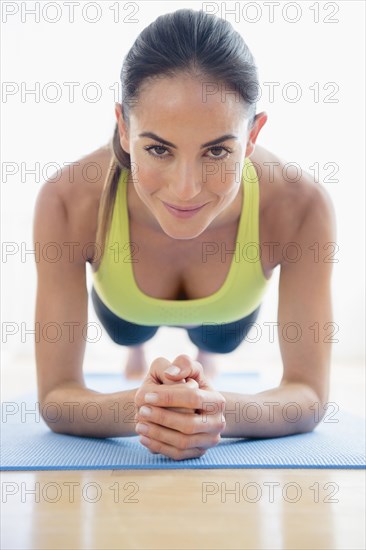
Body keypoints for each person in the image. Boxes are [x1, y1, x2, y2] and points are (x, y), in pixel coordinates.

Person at [33, 9, 336, 460]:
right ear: (124, 127)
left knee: (216, 338)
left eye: (217, 150)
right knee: (127, 332)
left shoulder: (301, 207)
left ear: (252, 136)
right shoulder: (66, 201)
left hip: (226, 318)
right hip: (124, 308)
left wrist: (212, 409)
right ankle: (138, 352)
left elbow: (309, 395)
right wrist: (147, 405)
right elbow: (57, 396)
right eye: (158, 149)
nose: (186, 189)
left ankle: (203, 354)